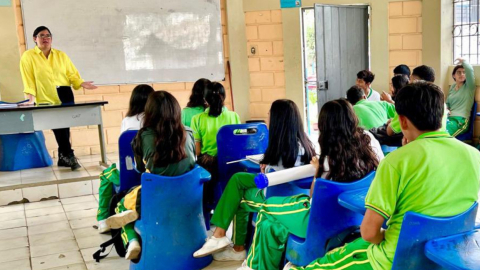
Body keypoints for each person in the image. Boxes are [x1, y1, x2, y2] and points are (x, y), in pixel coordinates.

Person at [285, 81, 480, 270]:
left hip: (392, 260)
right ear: (442, 114)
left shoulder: (396, 162)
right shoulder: (474, 155)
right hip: (440, 256)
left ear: (402, 120)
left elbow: (369, 233)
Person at [195, 100, 384, 270]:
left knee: (266, 211)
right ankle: (255, 264)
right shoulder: (368, 147)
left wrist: (317, 172)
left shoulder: (329, 159)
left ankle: (250, 263)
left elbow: (313, 197)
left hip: (316, 221)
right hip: (352, 217)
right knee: (271, 223)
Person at [193, 99, 316, 262]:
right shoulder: (305, 145)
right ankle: (222, 236)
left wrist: (265, 169)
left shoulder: (279, 149)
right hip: (296, 195)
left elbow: (270, 181)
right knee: (238, 179)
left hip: (274, 199)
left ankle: (232, 245)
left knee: (238, 197)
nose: (267, 117)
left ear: (278, 120)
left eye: (270, 114)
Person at [103, 91, 196, 260]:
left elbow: (139, 168)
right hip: (187, 196)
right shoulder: (188, 132)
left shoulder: (144, 136)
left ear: (150, 113)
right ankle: (135, 211)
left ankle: (132, 240)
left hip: (155, 196)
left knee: (119, 205)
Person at [19, 26, 98, 171]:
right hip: (45, 95)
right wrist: (31, 97)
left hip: (65, 93)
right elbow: (28, 79)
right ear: (34, 39)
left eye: (48, 35)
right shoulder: (28, 56)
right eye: (41, 35)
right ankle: (68, 155)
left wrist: (80, 83)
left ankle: (64, 157)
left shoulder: (61, 55)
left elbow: (72, 74)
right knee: (58, 127)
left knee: (64, 127)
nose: (45, 38)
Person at [96, 84, 154, 234]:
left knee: (106, 175)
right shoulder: (159, 121)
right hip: (155, 175)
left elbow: (124, 152)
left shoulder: (128, 121)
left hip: (130, 175)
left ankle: (103, 220)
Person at [191, 82, 241, 206]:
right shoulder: (234, 116)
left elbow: (197, 152)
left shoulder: (197, 119)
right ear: (224, 97)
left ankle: (208, 207)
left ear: (205, 98)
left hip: (209, 166)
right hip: (230, 164)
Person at [446, 58, 476, 136]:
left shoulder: (469, 87)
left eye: (464, 72)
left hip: (460, 121)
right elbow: (447, 104)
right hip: (448, 118)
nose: (462, 74)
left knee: (443, 134)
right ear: (453, 75)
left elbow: (470, 71)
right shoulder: (452, 87)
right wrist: (446, 109)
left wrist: (463, 61)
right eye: (459, 72)